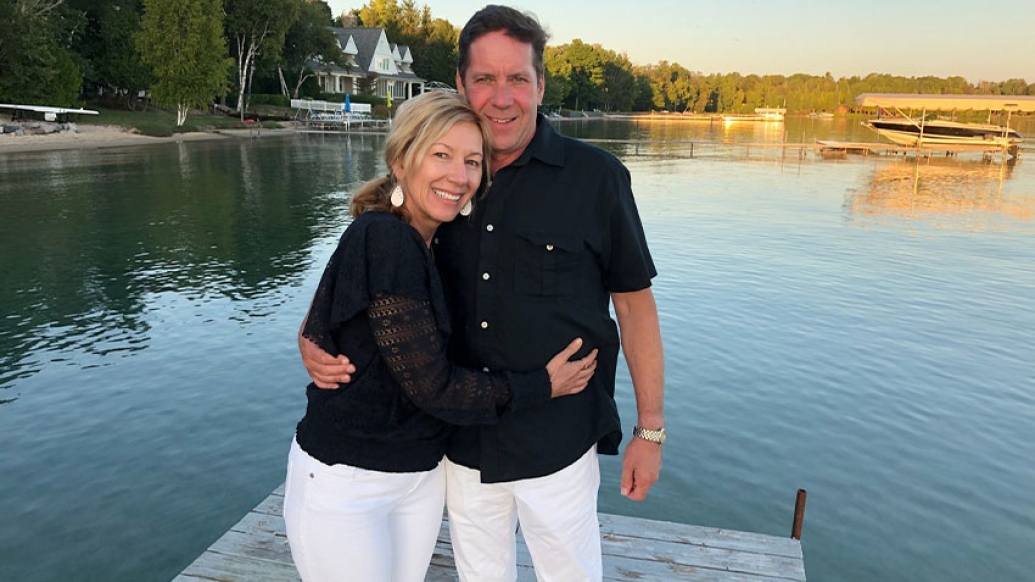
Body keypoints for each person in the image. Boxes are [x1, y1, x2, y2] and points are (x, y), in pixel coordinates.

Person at [301, 5, 666, 581]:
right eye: (485, 79)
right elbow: (369, 261)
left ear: (540, 85)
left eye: (518, 78)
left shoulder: (596, 178)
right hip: (459, 447)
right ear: (461, 86)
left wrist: (650, 429)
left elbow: (635, 307)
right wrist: (313, 334)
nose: (503, 96)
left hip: (559, 441)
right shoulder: (438, 188)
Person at [283, 90, 599, 582]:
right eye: (442, 155)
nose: (459, 176)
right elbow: (434, 386)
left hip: (420, 476)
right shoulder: (384, 238)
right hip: (349, 480)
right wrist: (543, 385)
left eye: (473, 162)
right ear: (401, 160)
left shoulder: (435, 237)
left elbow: (335, 301)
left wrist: (310, 330)